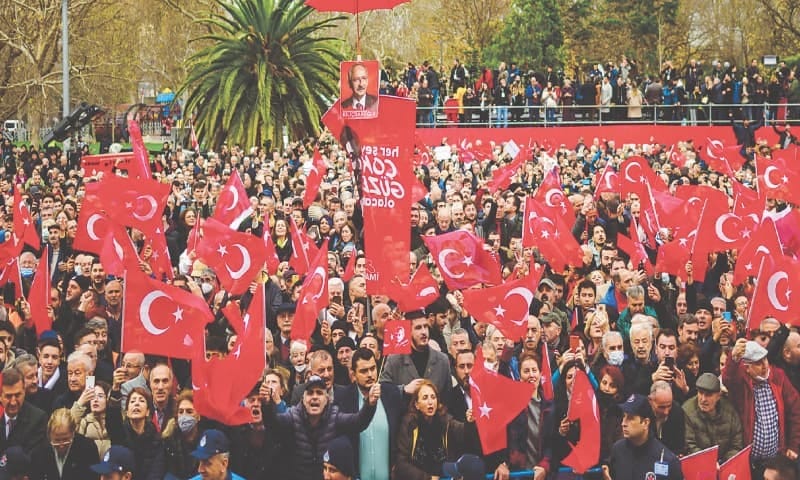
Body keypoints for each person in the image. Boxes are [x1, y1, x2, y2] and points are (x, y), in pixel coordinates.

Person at [261, 374, 379, 480]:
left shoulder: (335, 417)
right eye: (310, 393)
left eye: (319, 393)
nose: (315, 397)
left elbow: (359, 422)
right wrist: (266, 405)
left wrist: (370, 404)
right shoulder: (293, 416)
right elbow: (273, 425)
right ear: (303, 399)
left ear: (327, 399)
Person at [723, 339, 800, 478]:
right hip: (750, 462)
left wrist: (794, 445)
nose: (765, 366)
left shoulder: (778, 376)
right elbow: (728, 378)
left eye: (765, 359)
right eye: (758, 363)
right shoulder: (741, 383)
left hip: (776, 459)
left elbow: (796, 409)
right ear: (747, 368)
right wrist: (733, 358)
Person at [333, 348, 404, 480]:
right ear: (353, 374)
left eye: (372, 368)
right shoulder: (343, 399)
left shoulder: (391, 394)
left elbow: (401, 435)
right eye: (364, 371)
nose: (370, 374)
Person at [394, 380, 479, 480]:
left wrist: (470, 423)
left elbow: (464, 435)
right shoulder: (409, 424)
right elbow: (401, 463)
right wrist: (428, 478)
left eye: (433, 397)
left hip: (441, 475)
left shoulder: (445, 421)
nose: (430, 402)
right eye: (425, 398)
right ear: (417, 404)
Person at [604, 393, 682, 480]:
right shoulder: (617, 450)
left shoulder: (667, 460)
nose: (623, 423)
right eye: (624, 416)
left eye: (630, 418)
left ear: (645, 423)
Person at [682, 372, 743, 462]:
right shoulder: (687, 411)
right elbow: (689, 446)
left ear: (718, 396)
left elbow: (737, 444)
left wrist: (725, 463)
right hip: (699, 463)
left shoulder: (729, 411)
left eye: (708, 395)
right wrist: (710, 463)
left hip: (725, 463)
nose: (703, 399)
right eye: (700, 393)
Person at [30, 407, 100, 479]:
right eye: (57, 440)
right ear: (49, 435)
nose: (61, 445)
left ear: (73, 433)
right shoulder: (39, 453)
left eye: (65, 439)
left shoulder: (88, 449)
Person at [0, 367, 47, 454]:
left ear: (24, 391)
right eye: (8, 396)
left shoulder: (38, 419)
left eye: (17, 395)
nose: (13, 402)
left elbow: (32, 456)